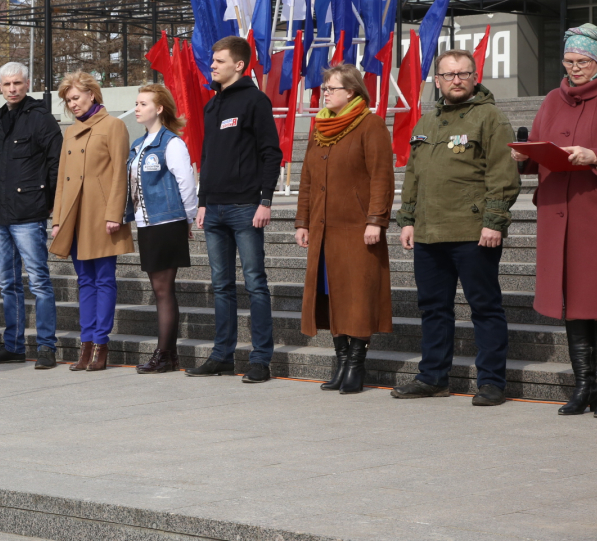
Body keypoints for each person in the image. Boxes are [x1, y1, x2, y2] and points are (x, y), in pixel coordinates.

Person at [511, 24, 597, 418]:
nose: (574, 68)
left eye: (582, 62)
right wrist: (525, 159)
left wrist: (596, 157)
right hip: (561, 217)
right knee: (572, 304)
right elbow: (543, 149)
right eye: (569, 61)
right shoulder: (553, 100)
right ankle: (583, 387)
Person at [392, 49, 520, 406]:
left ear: (474, 77)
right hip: (429, 232)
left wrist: (494, 221)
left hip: (472, 231)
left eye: (463, 74)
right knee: (433, 308)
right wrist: (407, 220)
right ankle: (433, 377)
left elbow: (503, 175)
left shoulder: (489, 117)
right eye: (448, 75)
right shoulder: (425, 123)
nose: (456, 80)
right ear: (437, 81)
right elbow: (414, 176)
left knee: (485, 307)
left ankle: (492, 382)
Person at [187, 36, 282, 383]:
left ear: (239, 65)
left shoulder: (256, 101)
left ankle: (260, 359)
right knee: (221, 285)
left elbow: (271, 153)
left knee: (255, 283)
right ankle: (221, 356)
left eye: (218, 61)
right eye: (212, 61)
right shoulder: (212, 106)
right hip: (214, 210)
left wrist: (265, 200)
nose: (211, 66)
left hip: (246, 208)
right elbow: (208, 158)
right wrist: (201, 201)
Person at [294, 65, 393, 394]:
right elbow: (306, 180)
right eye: (325, 87)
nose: (325, 92)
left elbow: (381, 176)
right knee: (331, 297)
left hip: (357, 229)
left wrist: (376, 220)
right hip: (324, 231)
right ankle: (340, 363)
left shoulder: (371, 125)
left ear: (351, 91)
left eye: (331, 88)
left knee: (357, 298)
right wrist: (302, 222)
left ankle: (355, 366)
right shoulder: (321, 127)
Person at [0, 62, 62, 369]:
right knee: (7, 282)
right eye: (6, 85)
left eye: (17, 83)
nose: (12, 89)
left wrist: (51, 203)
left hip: (29, 212)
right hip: (1, 213)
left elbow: (56, 162)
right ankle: (13, 345)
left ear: (27, 84)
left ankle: (46, 347)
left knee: (39, 282)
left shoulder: (40, 118)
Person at [51, 71, 133, 372]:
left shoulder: (114, 125)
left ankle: (101, 344)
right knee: (84, 280)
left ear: (92, 94)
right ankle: (85, 344)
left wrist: (114, 214)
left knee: (104, 278)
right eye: (68, 100)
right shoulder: (70, 132)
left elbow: (119, 174)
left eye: (76, 97)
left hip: (101, 214)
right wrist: (58, 219)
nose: (72, 104)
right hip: (74, 214)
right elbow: (61, 180)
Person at [124, 84, 197, 374]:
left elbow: (187, 184)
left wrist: (187, 218)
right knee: (159, 289)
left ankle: (164, 354)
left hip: (168, 222)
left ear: (159, 108)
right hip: (147, 222)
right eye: (137, 103)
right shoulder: (139, 144)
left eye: (144, 103)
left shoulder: (172, 143)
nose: (138, 108)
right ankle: (169, 354)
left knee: (163, 289)